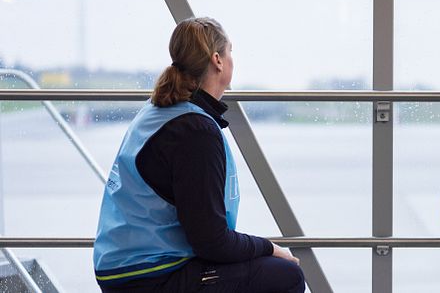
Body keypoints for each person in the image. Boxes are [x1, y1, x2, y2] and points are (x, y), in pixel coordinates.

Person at [93, 17, 305, 292]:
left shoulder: (161, 111)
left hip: (123, 268)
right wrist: (270, 248)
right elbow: (212, 242)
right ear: (218, 60)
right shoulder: (195, 131)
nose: (232, 59)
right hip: (150, 277)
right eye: (230, 52)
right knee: (286, 276)